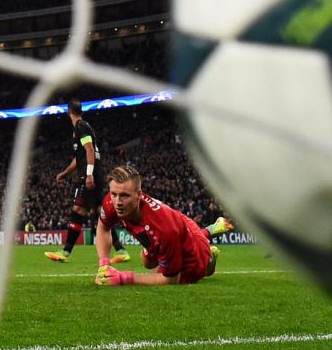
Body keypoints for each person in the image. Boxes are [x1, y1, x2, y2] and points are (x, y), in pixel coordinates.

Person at [94, 165, 235, 286]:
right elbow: (103, 227)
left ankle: (210, 257)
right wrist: (104, 264)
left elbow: (170, 279)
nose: (117, 201)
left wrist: (124, 278)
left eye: (125, 196)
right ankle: (209, 231)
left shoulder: (163, 229)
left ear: (139, 195)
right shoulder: (111, 202)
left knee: (203, 271)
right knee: (147, 262)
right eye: (114, 194)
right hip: (179, 221)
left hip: (188, 247)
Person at [45, 99, 130, 264]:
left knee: (78, 209)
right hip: (93, 174)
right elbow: (80, 157)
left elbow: (89, 150)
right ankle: (121, 250)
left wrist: (89, 174)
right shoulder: (84, 127)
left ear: (69, 111)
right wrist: (65, 173)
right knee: (102, 213)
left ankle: (66, 251)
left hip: (88, 176)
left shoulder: (80, 127)